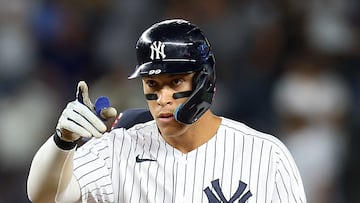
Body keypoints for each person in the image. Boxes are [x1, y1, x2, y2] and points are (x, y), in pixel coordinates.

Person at [27, 19, 306, 203]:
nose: (163, 98)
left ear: (204, 81)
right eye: (152, 83)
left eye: (175, 82)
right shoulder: (117, 148)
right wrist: (62, 142)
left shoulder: (266, 154)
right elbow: (46, 196)